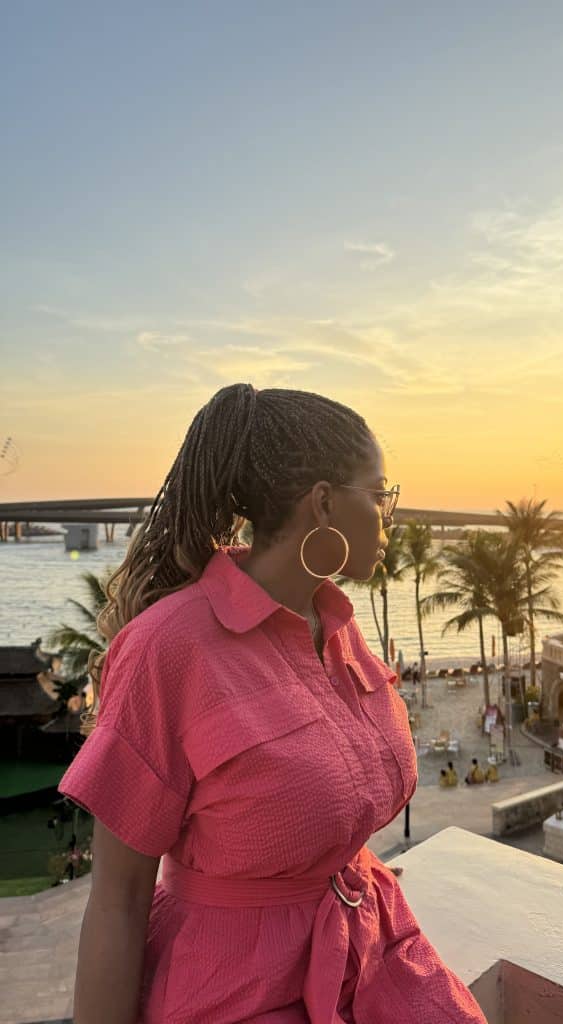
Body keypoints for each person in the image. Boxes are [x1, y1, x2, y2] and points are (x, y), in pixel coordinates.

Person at [58, 385, 486, 1024]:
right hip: (237, 987)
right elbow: (118, 901)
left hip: (368, 949)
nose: (390, 514)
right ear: (323, 503)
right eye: (379, 493)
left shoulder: (335, 623)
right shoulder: (167, 649)